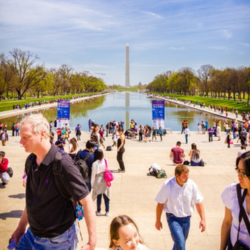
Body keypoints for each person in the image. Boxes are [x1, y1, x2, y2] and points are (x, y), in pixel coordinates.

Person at [11, 114, 96, 250]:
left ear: (42, 134)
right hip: (31, 234)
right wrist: (21, 228)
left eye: (25, 137)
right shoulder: (31, 161)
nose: (21, 141)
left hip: (57, 241)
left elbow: (86, 201)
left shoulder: (63, 164)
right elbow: (32, 200)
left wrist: (92, 241)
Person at [155, 164, 206, 250]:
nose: (187, 178)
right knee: (181, 244)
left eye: (188, 175)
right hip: (173, 218)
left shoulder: (192, 184)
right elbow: (160, 204)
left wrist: (203, 219)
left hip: (187, 219)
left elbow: (198, 202)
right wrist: (158, 221)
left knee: (180, 244)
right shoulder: (167, 185)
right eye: (184, 176)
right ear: (177, 176)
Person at [220, 152, 250, 249]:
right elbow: (227, 222)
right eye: (238, 171)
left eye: (243, 173)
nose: (239, 176)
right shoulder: (232, 192)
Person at [91, 149, 110, 216]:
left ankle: (98, 211)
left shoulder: (94, 164)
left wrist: (92, 184)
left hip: (98, 179)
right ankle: (107, 211)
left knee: (99, 196)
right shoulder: (106, 160)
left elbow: (93, 175)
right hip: (105, 179)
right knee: (106, 195)